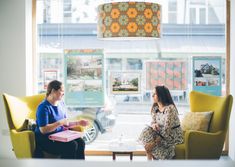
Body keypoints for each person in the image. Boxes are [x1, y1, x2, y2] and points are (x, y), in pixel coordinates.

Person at [34, 80, 87, 159]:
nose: (63, 93)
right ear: (53, 91)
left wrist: (78, 123)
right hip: (46, 140)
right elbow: (43, 130)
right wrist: (59, 123)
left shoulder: (61, 104)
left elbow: (65, 122)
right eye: (61, 91)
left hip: (60, 137)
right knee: (72, 145)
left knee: (81, 142)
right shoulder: (43, 107)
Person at [138, 85, 183, 160]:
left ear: (161, 95)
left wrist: (154, 143)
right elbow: (152, 122)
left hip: (172, 135)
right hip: (160, 133)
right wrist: (154, 125)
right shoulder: (155, 108)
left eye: (155, 94)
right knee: (147, 130)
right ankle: (149, 159)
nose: (152, 96)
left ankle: (163, 156)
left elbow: (167, 130)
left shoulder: (170, 108)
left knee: (151, 143)